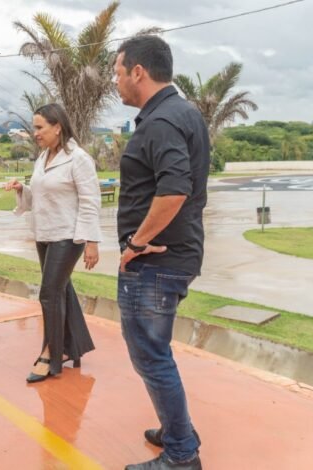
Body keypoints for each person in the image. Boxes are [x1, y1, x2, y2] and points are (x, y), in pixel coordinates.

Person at [113, 35, 209, 470]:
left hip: (154, 260)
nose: (115, 81)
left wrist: (135, 243)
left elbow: (173, 190)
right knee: (156, 352)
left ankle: (182, 455)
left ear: (138, 71)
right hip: (175, 255)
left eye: (117, 71)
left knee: (151, 355)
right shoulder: (183, 112)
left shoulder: (161, 122)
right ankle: (178, 432)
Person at [4, 103, 101, 383]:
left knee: (49, 293)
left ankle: (51, 354)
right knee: (62, 290)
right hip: (44, 234)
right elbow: (42, 195)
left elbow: (90, 201)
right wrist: (23, 189)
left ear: (57, 127)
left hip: (68, 236)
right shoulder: (44, 157)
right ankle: (75, 347)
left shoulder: (78, 159)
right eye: (34, 127)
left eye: (39, 127)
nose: (34, 133)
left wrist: (91, 241)